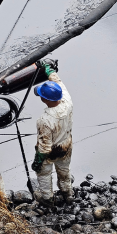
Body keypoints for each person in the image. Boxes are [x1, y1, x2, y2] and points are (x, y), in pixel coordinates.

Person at [30, 60, 74, 206]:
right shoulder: (67, 100)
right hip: (66, 144)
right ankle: (67, 193)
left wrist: (37, 162)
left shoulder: (45, 120)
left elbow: (44, 147)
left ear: (45, 99)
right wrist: (48, 69)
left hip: (51, 151)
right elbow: (58, 81)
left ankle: (48, 199)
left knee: (44, 174)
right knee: (64, 170)